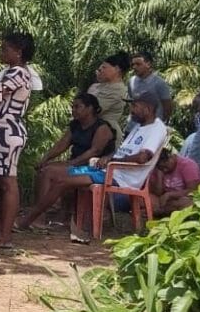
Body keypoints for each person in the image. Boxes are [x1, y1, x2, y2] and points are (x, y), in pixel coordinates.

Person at [69, 90, 169, 244]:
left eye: (135, 106)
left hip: (121, 178)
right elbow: (123, 151)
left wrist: (114, 160)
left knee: (64, 177)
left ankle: (35, 220)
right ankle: (75, 222)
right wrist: (109, 158)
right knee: (60, 173)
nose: (131, 110)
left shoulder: (157, 128)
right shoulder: (138, 127)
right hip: (111, 171)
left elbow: (143, 157)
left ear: (147, 108)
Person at [20, 93, 116, 230]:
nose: (73, 110)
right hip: (76, 163)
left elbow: (94, 151)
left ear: (90, 109)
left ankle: (39, 217)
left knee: (49, 172)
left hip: (92, 167)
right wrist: (46, 158)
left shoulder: (102, 128)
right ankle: (46, 212)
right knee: (44, 169)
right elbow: (62, 144)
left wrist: (71, 163)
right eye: (73, 107)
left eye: (78, 107)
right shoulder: (75, 125)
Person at [0, 31, 37, 248]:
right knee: (1, 182)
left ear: (18, 52)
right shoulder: (11, 72)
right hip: (1, 128)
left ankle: (4, 235)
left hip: (6, 130)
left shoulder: (17, 73)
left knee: (7, 182)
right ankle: (0, 231)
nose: (1, 52)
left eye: (5, 48)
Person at [87, 53, 130, 145]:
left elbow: (93, 110)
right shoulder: (96, 86)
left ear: (117, 69)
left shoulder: (118, 89)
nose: (100, 70)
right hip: (88, 131)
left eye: (104, 67)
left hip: (106, 134)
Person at [151, 149, 200, 217]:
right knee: (151, 200)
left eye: (165, 167)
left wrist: (170, 195)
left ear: (171, 157)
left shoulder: (187, 165)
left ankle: (165, 211)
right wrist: (159, 174)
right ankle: (164, 211)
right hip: (168, 200)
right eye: (161, 168)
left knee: (185, 202)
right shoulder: (160, 170)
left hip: (187, 197)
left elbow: (193, 190)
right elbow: (158, 192)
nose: (164, 170)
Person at [128, 51, 175, 127]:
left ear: (148, 64)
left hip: (151, 127)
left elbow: (168, 108)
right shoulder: (131, 81)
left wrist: (158, 124)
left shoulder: (159, 83)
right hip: (133, 127)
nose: (134, 67)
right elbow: (132, 103)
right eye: (133, 64)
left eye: (138, 64)